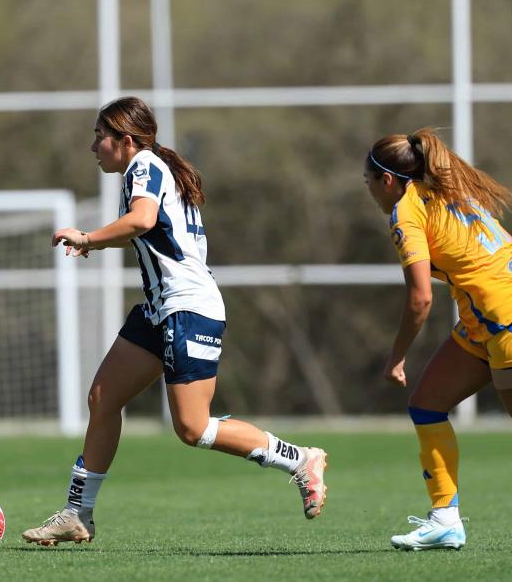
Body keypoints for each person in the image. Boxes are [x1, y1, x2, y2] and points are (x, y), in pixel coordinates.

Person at [22, 96, 328, 546]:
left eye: (98, 137)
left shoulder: (143, 164)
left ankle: (300, 459)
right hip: (159, 308)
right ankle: (77, 513)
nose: (93, 147)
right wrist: (99, 242)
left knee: (193, 428)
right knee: (103, 398)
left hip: (188, 307)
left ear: (125, 141)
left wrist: (87, 236)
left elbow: (142, 220)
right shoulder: (151, 168)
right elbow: (150, 228)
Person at [364, 128, 512, 551]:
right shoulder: (449, 190)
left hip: (505, 321)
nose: (371, 192)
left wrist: (396, 357)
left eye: (369, 183)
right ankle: (445, 518)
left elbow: (420, 299)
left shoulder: (405, 213)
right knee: (427, 405)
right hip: (483, 321)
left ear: (387, 181)